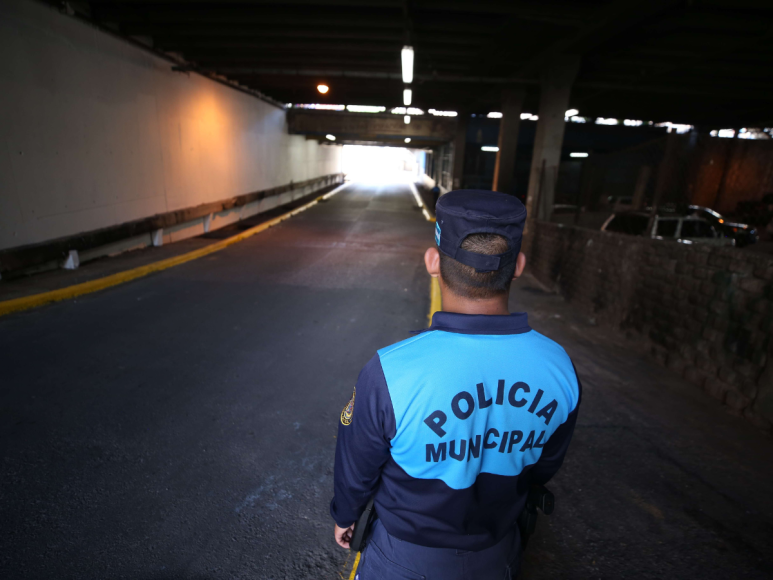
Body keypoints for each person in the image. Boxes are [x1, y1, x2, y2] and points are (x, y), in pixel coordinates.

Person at [330, 190, 582, 579]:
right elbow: (544, 465)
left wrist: (346, 514)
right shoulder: (559, 367)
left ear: (434, 261)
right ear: (517, 266)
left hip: (404, 559)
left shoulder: (391, 371)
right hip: (498, 555)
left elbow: (358, 463)